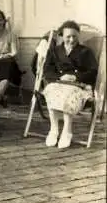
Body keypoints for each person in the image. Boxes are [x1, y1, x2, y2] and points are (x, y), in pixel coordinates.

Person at [42, 20, 98, 149]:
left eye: (74, 36)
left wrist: (75, 76)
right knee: (50, 90)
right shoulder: (55, 51)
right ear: (62, 36)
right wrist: (60, 76)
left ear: (78, 36)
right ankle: (54, 130)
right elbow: (47, 71)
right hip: (59, 82)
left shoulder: (86, 52)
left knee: (67, 94)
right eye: (68, 37)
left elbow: (93, 72)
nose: (72, 40)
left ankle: (67, 131)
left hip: (79, 86)